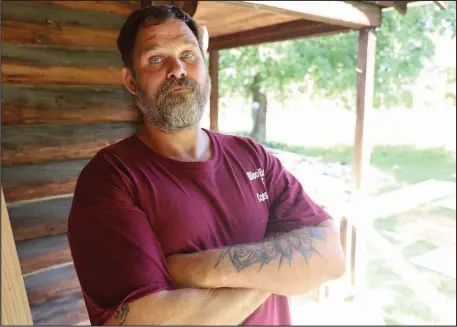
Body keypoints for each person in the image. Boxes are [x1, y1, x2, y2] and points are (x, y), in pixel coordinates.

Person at [67, 5, 346, 326]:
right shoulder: (110, 180)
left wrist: (196, 268)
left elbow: (331, 256)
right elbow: (152, 321)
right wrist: (280, 268)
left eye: (188, 55)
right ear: (131, 80)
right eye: (156, 59)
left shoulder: (252, 156)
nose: (177, 70)